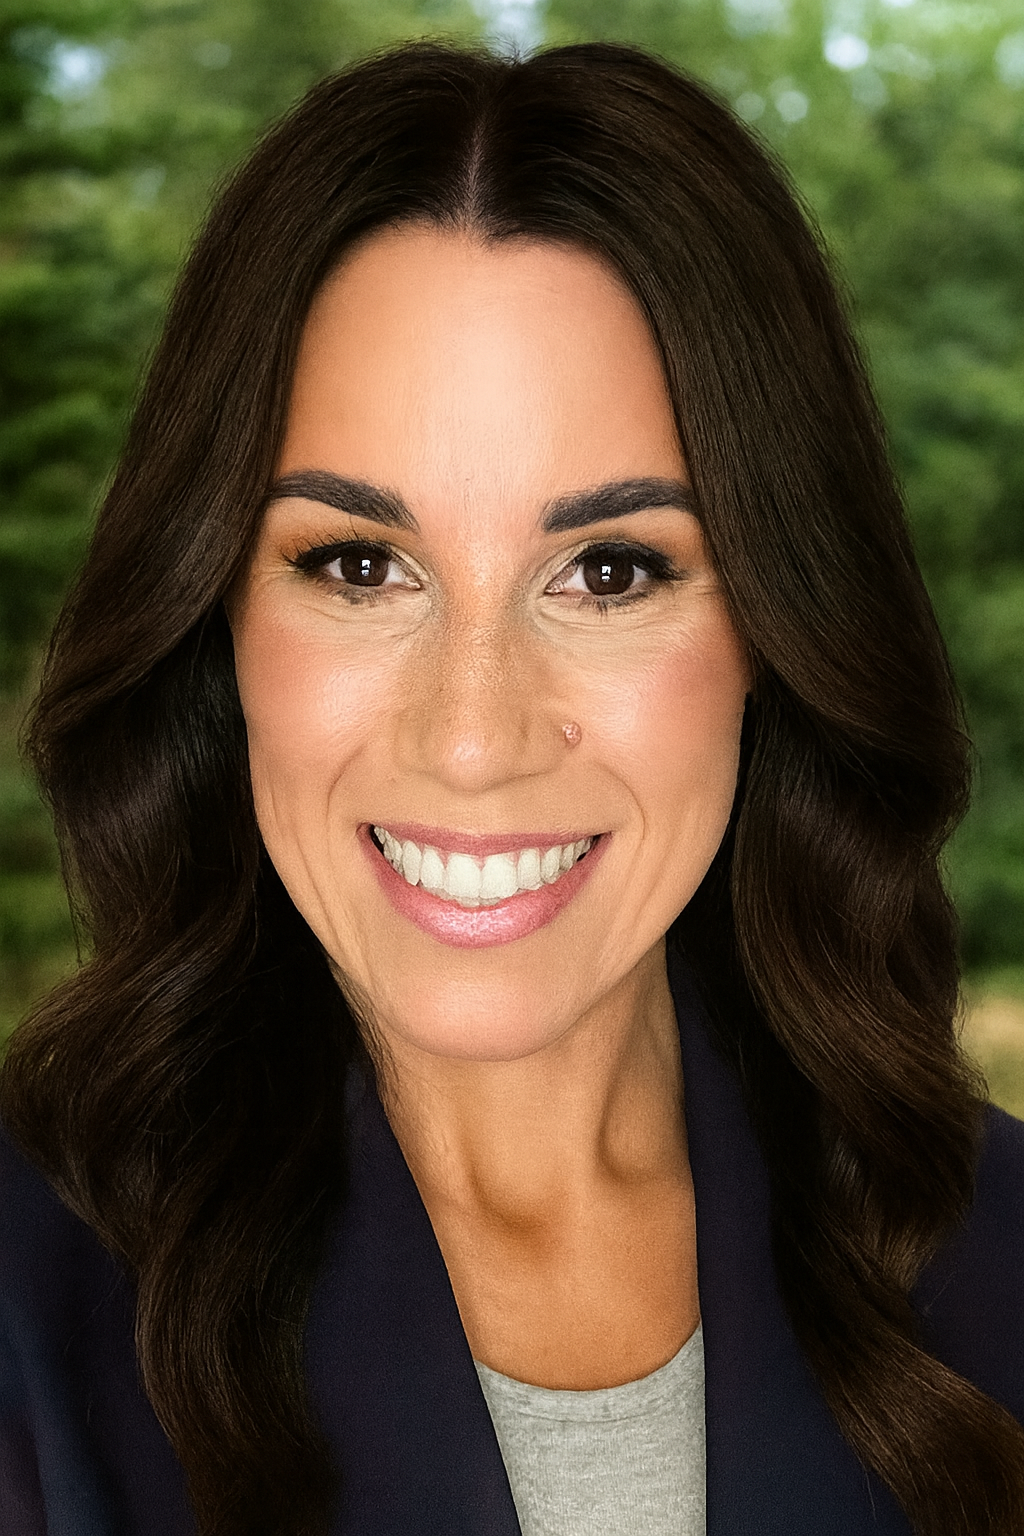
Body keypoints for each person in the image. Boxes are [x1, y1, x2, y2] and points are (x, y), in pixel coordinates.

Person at [0, 37, 1022, 1536]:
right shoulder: (24, 1294)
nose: (473, 738)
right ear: (213, 613)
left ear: (777, 633)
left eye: (610, 572)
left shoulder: (1004, 1260)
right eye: (359, 564)